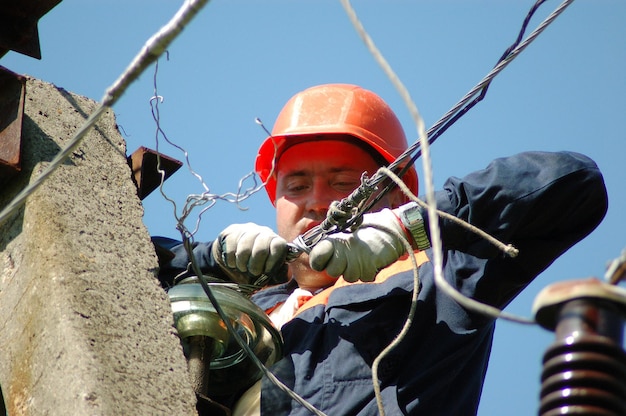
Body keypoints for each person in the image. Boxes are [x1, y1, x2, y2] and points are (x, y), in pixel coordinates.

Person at [155, 83, 608, 415]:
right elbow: (119, 271)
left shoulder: (440, 278)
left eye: (343, 183)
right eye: (296, 185)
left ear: (394, 194)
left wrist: (410, 226)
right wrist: (213, 258)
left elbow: (574, 184)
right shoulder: (249, 305)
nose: (317, 201)